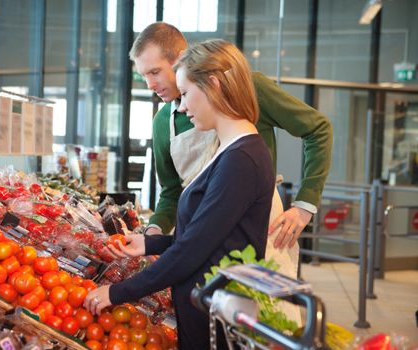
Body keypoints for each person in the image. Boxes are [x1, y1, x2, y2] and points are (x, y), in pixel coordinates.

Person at [84, 39, 275, 349]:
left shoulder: (241, 160)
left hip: (215, 317)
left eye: (185, 94)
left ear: (213, 84)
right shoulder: (229, 151)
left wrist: (118, 292)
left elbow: (192, 251)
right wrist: (148, 243)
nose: (182, 106)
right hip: (205, 306)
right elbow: (205, 237)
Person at [133, 23, 333, 271]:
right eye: (143, 76)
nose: (149, 85)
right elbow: (172, 193)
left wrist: (305, 206)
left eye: (154, 72)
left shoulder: (248, 89)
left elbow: (318, 129)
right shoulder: (162, 122)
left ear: (179, 60)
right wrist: (153, 233)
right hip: (201, 237)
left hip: (261, 233)